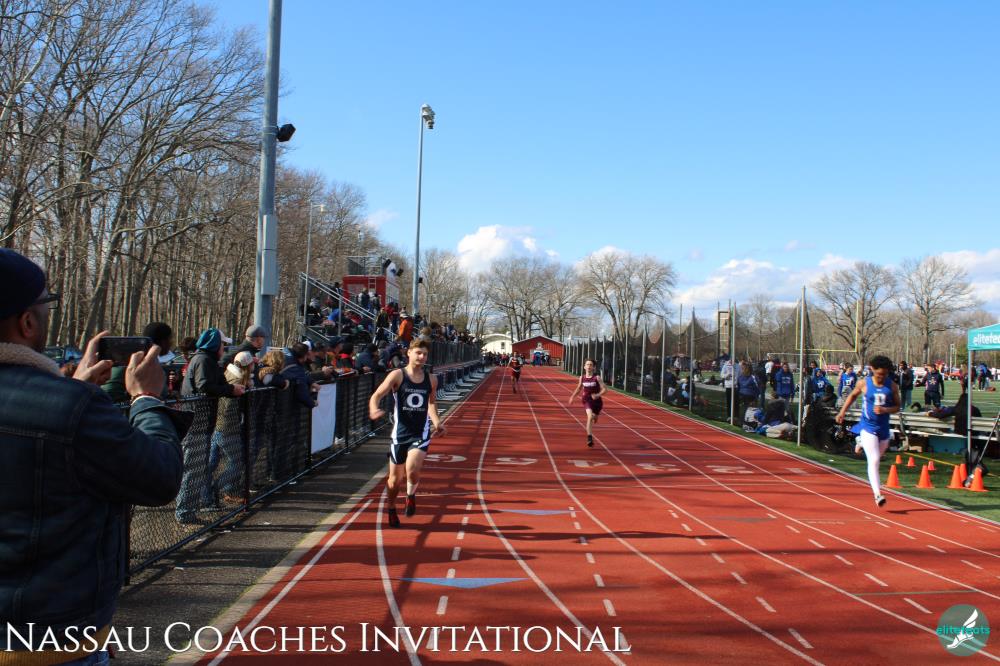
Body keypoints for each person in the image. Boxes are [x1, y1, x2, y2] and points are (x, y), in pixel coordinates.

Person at [0, 249, 182, 662]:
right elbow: (159, 477)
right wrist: (146, 399)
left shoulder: (70, 402)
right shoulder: (71, 407)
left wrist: (76, 388)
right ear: (27, 322)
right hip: (47, 639)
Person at [368, 339, 446, 528]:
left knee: (412, 469)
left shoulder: (431, 379)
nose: (422, 357)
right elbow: (377, 395)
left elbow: (431, 402)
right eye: (418, 352)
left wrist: (437, 422)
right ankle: (391, 508)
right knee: (394, 481)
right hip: (400, 433)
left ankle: (410, 495)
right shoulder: (397, 375)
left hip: (420, 432)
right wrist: (373, 409)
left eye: (425, 354)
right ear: (409, 353)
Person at [836, 355, 900, 508]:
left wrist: (885, 409)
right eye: (879, 374)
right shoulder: (864, 383)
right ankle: (878, 495)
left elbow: (898, 407)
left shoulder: (892, 386)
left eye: (885, 374)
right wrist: (842, 412)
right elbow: (852, 396)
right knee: (874, 460)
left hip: (883, 428)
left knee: (879, 456)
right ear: (872, 369)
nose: (882, 377)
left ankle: (860, 442)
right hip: (868, 426)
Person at [206, 350, 256, 504]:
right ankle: (215, 488)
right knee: (236, 462)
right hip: (228, 427)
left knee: (211, 463)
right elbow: (229, 407)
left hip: (219, 425)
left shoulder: (228, 374)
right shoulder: (238, 382)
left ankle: (208, 492)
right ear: (247, 365)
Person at [567, 358, 607, 447]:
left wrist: (598, 395)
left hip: (597, 401)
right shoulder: (582, 378)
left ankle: (595, 416)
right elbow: (579, 388)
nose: (589, 366)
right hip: (586, 400)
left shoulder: (597, 378)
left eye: (591, 365)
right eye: (587, 364)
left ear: (594, 367)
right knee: (589, 417)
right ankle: (589, 437)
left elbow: (605, 389)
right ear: (584, 367)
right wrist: (572, 397)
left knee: (594, 417)